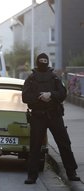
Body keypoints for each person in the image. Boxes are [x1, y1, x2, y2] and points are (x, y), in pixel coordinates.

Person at [22, 53, 80, 184]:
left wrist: (51, 95)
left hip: (54, 115)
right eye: (41, 61)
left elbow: (63, 93)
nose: (43, 62)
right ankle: (32, 176)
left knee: (64, 143)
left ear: (48, 62)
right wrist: (39, 96)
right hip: (38, 116)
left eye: (45, 61)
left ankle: (71, 172)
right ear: (37, 62)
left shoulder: (54, 78)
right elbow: (25, 97)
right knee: (35, 146)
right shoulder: (31, 79)